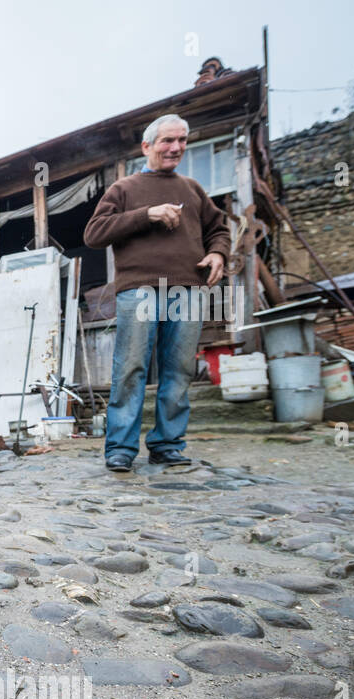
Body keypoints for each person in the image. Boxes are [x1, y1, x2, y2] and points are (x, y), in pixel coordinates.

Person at [84, 113, 230, 472]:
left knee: (179, 370)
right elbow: (94, 233)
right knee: (130, 369)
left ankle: (167, 445)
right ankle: (120, 448)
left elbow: (219, 229)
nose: (176, 147)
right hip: (139, 291)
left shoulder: (192, 189)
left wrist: (217, 253)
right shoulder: (125, 189)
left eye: (182, 140)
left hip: (187, 289)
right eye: (167, 140)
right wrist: (146, 214)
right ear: (147, 146)